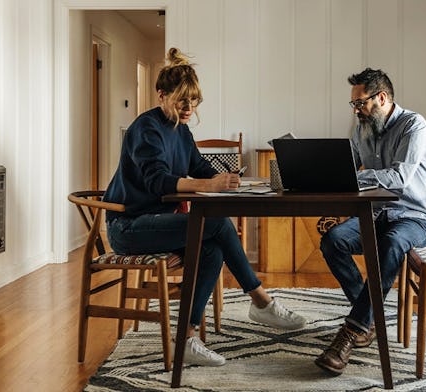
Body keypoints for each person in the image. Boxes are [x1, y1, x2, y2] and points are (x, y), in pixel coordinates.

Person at [103, 47, 306, 367]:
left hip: (159, 222)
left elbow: (197, 166)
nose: (189, 107)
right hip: (129, 226)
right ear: (161, 95)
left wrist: (225, 178)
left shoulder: (180, 131)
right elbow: (158, 181)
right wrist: (209, 186)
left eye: (194, 100)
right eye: (182, 100)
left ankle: (187, 337)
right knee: (219, 224)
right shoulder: (146, 128)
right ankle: (260, 300)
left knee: (212, 250)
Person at [314, 68, 426, 375]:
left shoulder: (414, 126)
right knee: (333, 241)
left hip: (416, 218)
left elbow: (398, 179)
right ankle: (367, 320)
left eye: (360, 103)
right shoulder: (362, 129)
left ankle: (349, 333)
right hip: (375, 214)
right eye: (354, 104)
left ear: (381, 97)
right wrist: (328, 177)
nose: (356, 110)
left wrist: (354, 177)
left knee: (392, 242)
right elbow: (348, 167)